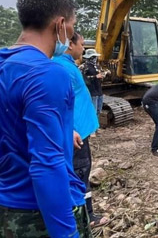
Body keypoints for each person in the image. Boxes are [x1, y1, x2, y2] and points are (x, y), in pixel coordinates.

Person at [0, 0, 91, 237]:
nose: (70, 34)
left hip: (3, 210)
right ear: (59, 25)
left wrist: (2, 201)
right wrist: (66, 233)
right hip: (44, 218)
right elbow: (47, 162)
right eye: (72, 26)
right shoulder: (49, 74)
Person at [53, 32, 109, 229]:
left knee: (81, 170)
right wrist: (70, 129)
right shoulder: (62, 67)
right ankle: (86, 216)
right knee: (80, 172)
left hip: (79, 131)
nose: (83, 49)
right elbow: (57, 102)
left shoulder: (67, 64)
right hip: (75, 133)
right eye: (82, 44)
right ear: (70, 45)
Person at [81, 49, 106, 116]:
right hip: (91, 92)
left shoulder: (97, 66)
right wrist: (95, 77)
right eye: (93, 57)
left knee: (99, 110)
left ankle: (96, 125)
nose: (95, 58)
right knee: (92, 111)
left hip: (99, 91)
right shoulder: (84, 66)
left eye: (95, 56)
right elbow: (82, 78)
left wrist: (103, 75)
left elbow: (100, 74)